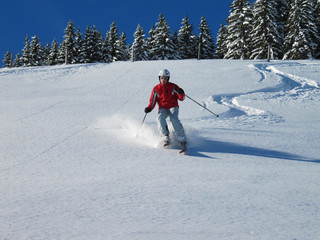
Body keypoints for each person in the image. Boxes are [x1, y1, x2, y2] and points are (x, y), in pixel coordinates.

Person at [144, 69, 187, 148]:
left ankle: (182, 138)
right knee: (160, 118)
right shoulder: (156, 89)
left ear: (168, 79)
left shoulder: (173, 86)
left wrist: (181, 93)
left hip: (173, 106)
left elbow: (181, 98)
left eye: (165, 78)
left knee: (173, 118)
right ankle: (165, 137)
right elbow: (152, 101)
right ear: (159, 78)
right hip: (163, 107)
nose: (163, 80)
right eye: (162, 78)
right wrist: (149, 108)